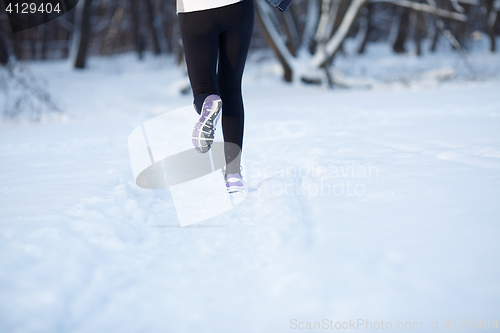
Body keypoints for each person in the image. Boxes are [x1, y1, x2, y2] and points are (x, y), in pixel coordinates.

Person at [177, 0, 254, 193]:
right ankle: (233, 174)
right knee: (232, 87)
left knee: (203, 88)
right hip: (237, 8)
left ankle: (207, 103)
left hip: (195, 10)